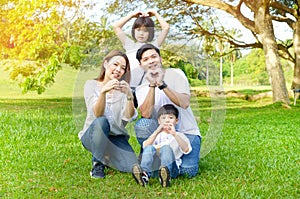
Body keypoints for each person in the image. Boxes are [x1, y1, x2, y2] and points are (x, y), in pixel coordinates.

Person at [134, 44, 202, 178]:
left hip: (186, 133)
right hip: (161, 136)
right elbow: (146, 114)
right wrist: (152, 86)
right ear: (141, 65)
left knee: (187, 173)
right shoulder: (141, 88)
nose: (151, 61)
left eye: (154, 56)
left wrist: (162, 84)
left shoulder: (176, 74)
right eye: (146, 59)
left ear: (160, 59)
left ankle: (166, 165)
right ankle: (149, 156)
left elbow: (184, 102)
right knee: (143, 124)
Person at [78, 50, 138, 178]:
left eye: (123, 68)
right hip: (94, 134)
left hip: (116, 137)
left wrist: (129, 96)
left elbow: (128, 117)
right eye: (115, 64)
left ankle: (107, 155)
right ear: (106, 64)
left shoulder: (123, 90)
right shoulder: (91, 85)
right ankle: (97, 163)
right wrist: (103, 92)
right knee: (102, 122)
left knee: (131, 166)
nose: (118, 70)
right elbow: (98, 113)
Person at [132, 104, 192, 187]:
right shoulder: (157, 135)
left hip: (172, 169)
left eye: (171, 118)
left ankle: (166, 176)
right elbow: (145, 146)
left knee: (166, 148)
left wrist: (174, 134)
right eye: (163, 118)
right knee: (149, 148)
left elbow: (186, 149)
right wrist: (157, 131)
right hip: (155, 167)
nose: (167, 121)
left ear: (176, 120)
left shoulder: (179, 135)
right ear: (159, 121)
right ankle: (144, 174)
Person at [113, 10, 170, 89]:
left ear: (150, 32)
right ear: (134, 31)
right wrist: (132, 15)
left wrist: (156, 14)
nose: (141, 33)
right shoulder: (130, 45)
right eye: (138, 30)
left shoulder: (153, 47)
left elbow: (166, 28)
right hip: (127, 87)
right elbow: (116, 27)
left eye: (145, 31)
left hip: (145, 88)